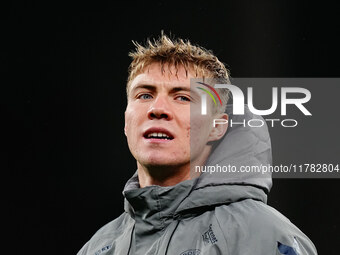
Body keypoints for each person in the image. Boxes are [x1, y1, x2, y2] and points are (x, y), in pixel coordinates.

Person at [77, 34, 317, 255]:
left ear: (217, 127)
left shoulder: (266, 236)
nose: (157, 109)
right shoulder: (97, 247)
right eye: (145, 95)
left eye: (182, 97)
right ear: (126, 122)